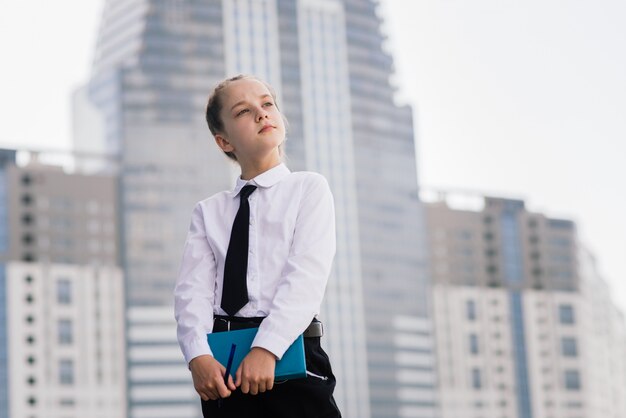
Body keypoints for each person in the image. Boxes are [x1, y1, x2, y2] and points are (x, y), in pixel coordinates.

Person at [174, 74, 342, 417]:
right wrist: (198, 356)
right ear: (224, 141)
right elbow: (192, 292)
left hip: (291, 352)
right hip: (225, 366)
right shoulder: (208, 212)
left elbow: (305, 278)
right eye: (243, 112)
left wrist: (267, 348)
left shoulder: (308, 189)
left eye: (267, 104)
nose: (261, 114)